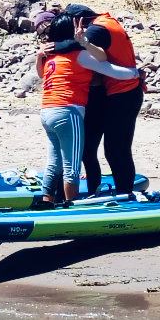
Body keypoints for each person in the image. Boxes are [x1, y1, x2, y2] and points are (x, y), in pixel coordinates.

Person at [35, 13, 140, 203]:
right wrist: (135, 73)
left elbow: (41, 75)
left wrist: (38, 55)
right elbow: (112, 70)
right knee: (72, 166)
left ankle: (47, 201)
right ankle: (72, 207)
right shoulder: (80, 56)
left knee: (54, 162)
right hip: (68, 113)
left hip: (46, 111)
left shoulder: (50, 56)